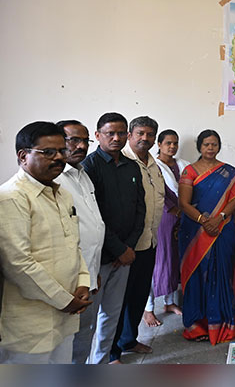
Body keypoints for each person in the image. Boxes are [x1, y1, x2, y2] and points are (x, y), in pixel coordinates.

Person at [0, 121, 91, 364]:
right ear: (23, 156)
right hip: (31, 324)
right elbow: (18, 264)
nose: (59, 157)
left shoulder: (63, 194)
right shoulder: (11, 197)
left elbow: (74, 245)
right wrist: (65, 301)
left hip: (66, 314)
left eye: (62, 150)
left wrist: (83, 282)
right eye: (48, 152)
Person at [178, 130, 235, 344]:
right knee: (197, 276)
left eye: (214, 144)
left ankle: (222, 323)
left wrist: (219, 218)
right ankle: (196, 326)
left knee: (222, 273)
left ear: (219, 146)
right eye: (206, 144)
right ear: (199, 147)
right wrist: (204, 221)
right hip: (195, 231)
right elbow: (183, 203)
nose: (210, 148)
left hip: (222, 229)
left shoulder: (230, 173)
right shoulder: (189, 171)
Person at [83, 112, 146, 364]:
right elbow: (93, 214)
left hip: (125, 255)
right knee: (90, 319)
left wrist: (128, 247)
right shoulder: (89, 167)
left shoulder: (131, 166)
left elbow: (140, 208)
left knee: (112, 313)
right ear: (98, 135)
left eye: (121, 133)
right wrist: (119, 248)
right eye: (110, 133)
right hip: (100, 256)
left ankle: (102, 362)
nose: (116, 138)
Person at [108, 116, 164, 363]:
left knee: (138, 296)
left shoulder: (153, 163)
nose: (145, 138)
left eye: (150, 134)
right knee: (117, 302)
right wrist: (121, 246)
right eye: (140, 133)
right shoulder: (120, 161)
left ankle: (128, 340)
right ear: (130, 135)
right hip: (126, 246)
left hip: (149, 242)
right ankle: (112, 352)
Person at [54, 120, 107, 364]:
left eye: (85, 141)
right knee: (65, 344)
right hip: (68, 281)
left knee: (84, 335)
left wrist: (93, 270)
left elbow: (92, 225)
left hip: (88, 273)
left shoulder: (82, 174)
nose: (82, 146)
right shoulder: (55, 179)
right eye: (74, 140)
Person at [143, 130, 189, 327]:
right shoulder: (152, 166)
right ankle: (148, 309)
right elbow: (155, 193)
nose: (172, 147)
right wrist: (174, 210)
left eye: (175, 143)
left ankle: (169, 303)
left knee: (174, 261)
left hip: (182, 219)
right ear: (159, 144)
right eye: (168, 143)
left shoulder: (183, 165)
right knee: (158, 263)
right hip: (162, 219)